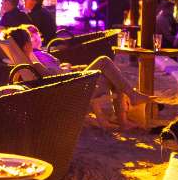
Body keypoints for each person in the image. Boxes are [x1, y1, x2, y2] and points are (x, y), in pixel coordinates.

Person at [8, 26, 151, 127]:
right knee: (104, 61)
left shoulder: (30, 63)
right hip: (74, 91)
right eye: (30, 40)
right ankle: (128, 105)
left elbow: (53, 77)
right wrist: (69, 69)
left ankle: (124, 114)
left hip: (71, 85)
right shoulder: (36, 65)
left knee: (111, 74)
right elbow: (56, 79)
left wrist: (69, 69)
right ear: (27, 44)